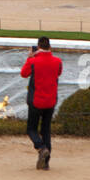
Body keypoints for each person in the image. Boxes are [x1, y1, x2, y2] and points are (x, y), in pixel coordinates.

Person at [20, 37, 63, 170]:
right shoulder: (58, 61)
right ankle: (46, 163)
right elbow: (58, 73)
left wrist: (30, 57)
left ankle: (41, 147)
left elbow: (23, 74)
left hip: (36, 100)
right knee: (46, 130)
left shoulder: (33, 61)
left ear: (38, 47)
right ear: (49, 47)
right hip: (51, 101)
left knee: (31, 129)